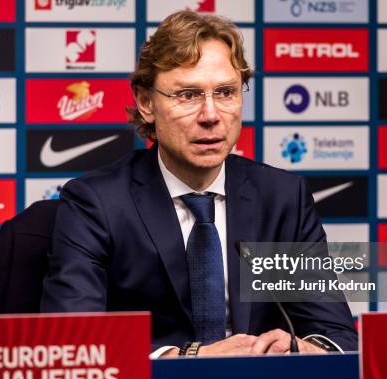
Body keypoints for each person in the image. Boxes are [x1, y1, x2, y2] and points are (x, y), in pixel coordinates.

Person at [41, 10, 358, 357]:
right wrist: (191, 359)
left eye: (225, 92)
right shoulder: (96, 203)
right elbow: (74, 347)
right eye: (188, 95)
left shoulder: (280, 198)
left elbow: (336, 336)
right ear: (146, 103)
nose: (210, 116)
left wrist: (299, 349)